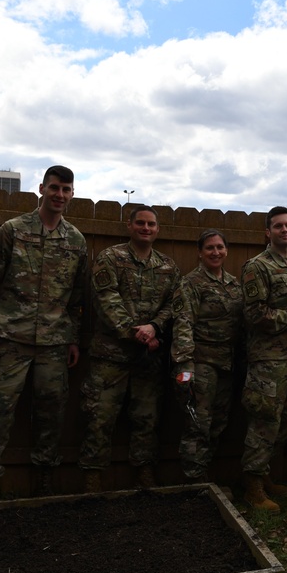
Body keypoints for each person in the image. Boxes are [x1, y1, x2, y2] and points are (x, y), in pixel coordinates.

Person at [0, 165, 87, 500]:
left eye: (66, 189)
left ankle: (43, 486)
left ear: (72, 193)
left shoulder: (76, 240)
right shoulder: (12, 231)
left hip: (54, 343)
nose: (60, 195)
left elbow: (77, 297)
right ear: (41, 188)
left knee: (52, 415)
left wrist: (74, 338)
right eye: (54, 188)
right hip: (9, 340)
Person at [79, 205, 180, 491]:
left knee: (147, 418)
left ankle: (144, 474)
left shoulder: (169, 267)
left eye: (151, 224)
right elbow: (105, 299)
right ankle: (92, 478)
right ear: (129, 226)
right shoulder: (110, 258)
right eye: (140, 223)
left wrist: (156, 328)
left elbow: (175, 305)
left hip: (148, 358)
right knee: (99, 417)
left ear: (157, 229)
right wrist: (136, 332)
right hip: (110, 356)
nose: (146, 228)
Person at [237, 208, 287, 512]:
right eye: (278, 226)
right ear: (268, 232)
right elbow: (254, 314)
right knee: (264, 421)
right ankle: (252, 488)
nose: (285, 230)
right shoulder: (257, 266)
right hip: (268, 359)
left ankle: (266, 473)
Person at [170, 229, 243, 494]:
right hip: (199, 364)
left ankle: (205, 480)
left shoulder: (234, 285)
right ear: (200, 252)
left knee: (219, 423)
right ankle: (194, 483)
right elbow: (183, 322)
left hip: (227, 365)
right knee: (198, 424)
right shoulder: (190, 283)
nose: (215, 252)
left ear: (226, 251)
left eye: (220, 247)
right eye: (210, 248)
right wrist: (184, 365)